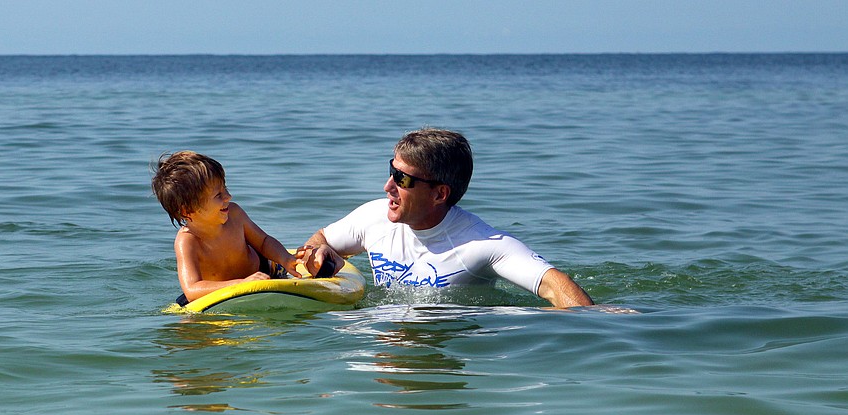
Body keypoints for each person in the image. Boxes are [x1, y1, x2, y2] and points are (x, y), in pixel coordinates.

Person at [298, 128, 594, 308]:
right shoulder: (373, 217)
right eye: (391, 171)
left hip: (449, 343)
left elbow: (558, 288)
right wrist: (320, 251)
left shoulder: (482, 244)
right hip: (385, 345)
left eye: (402, 179)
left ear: (440, 194)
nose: (388, 186)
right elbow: (320, 239)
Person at [151, 151, 301, 305]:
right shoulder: (188, 240)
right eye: (218, 195)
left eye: (225, 188)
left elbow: (263, 242)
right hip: (224, 288)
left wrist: (285, 258)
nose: (228, 196)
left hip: (263, 272)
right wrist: (241, 283)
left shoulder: (234, 214)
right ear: (187, 210)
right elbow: (192, 289)